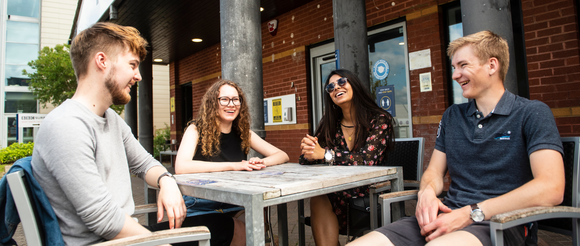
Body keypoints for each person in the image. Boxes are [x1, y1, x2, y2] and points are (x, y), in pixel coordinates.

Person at [31, 22, 241, 246]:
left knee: (230, 226)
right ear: (102, 61)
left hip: (123, 235)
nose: (138, 76)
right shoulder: (66, 125)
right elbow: (103, 220)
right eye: (132, 65)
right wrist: (161, 243)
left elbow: (145, 164)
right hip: (105, 241)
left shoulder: (110, 119)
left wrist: (166, 182)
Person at [348, 30, 565, 246]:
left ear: (492, 65)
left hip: (502, 223)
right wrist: (427, 193)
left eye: (463, 65)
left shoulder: (532, 113)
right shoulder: (453, 116)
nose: (454, 75)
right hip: (446, 216)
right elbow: (434, 172)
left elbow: (552, 188)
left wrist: (470, 214)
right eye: (454, 67)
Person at [299, 69, 395, 246]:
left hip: (371, 192)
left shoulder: (379, 119)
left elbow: (368, 159)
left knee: (323, 195)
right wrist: (309, 150)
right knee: (319, 195)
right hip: (338, 189)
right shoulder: (331, 123)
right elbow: (304, 159)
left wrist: (326, 154)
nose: (336, 87)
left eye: (342, 82)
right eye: (330, 87)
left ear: (354, 85)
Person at [174, 79, 289, 221]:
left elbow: (282, 155)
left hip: (236, 200)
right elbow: (181, 166)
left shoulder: (243, 132)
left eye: (236, 100)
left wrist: (260, 162)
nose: (231, 104)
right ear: (212, 102)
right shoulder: (196, 129)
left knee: (258, 217)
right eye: (224, 99)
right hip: (202, 202)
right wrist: (234, 166)